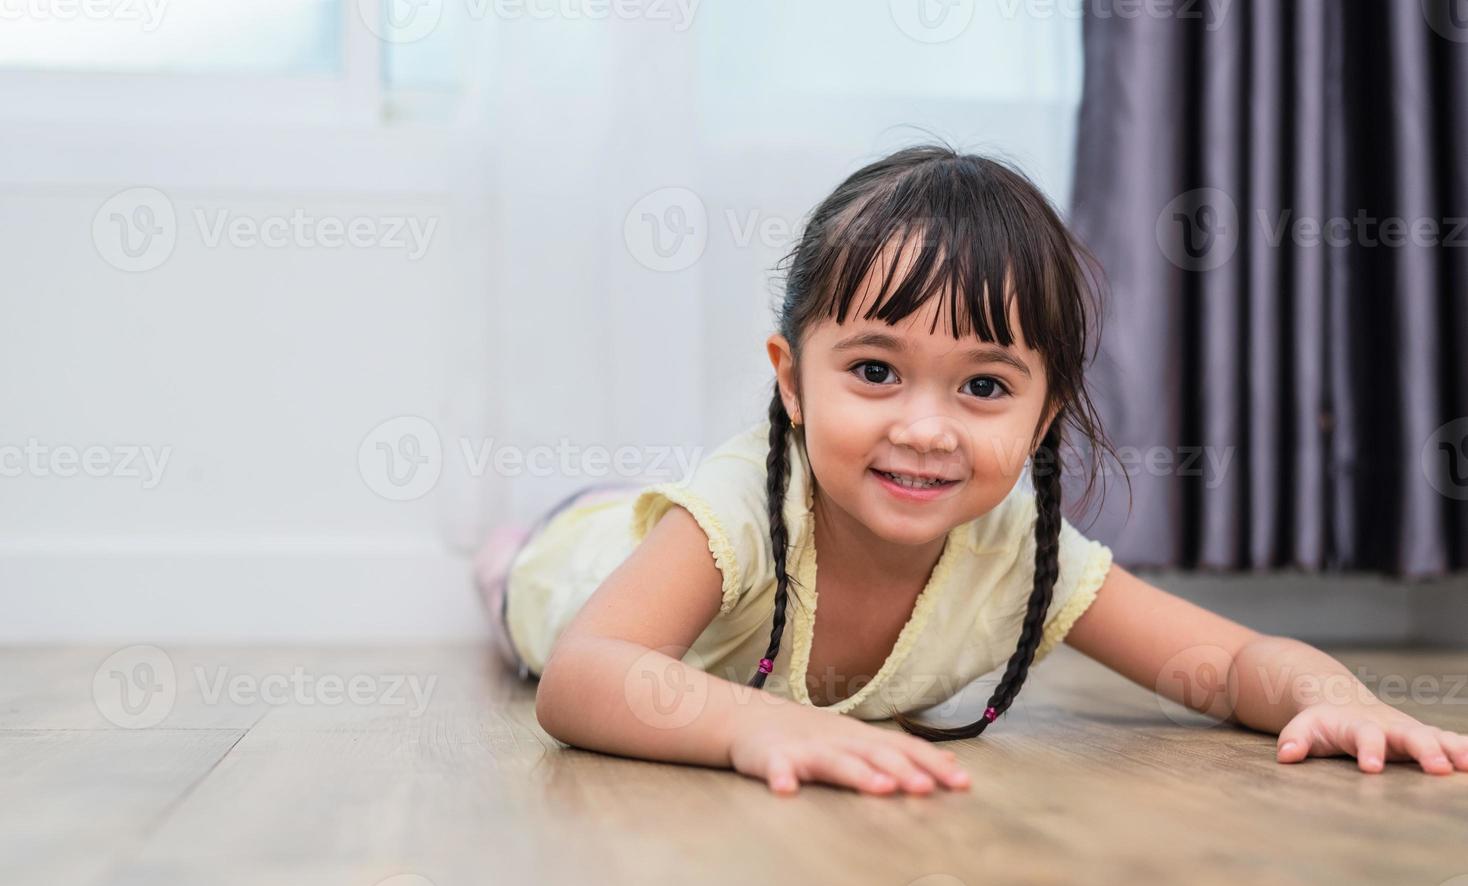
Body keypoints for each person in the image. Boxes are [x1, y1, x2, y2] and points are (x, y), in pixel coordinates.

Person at [476, 143, 1468, 795]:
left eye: (983, 387)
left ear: (1045, 412)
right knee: (535, 571)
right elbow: (582, 675)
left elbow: (1231, 666)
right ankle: (507, 548)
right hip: (584, 559)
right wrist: (752, 728)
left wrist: (1330, 693)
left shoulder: (1018, 551)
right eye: (874, 370)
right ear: (791, 380)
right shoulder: (738, 512)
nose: (924, 427)